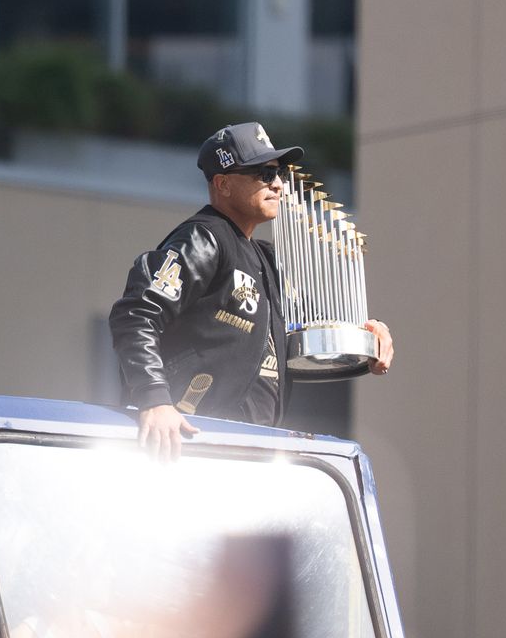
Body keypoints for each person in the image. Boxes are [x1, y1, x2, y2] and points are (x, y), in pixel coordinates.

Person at [109, 122, 394, 461]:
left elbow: (309, 327)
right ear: (223, 183)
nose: (277, 183)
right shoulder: (204, 239)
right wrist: (154, 400)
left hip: (248, 450)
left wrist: (369, 333)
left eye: (280, 173)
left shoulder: (266, 258)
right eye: (263, 173)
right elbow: (136, 314)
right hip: (191, 445)